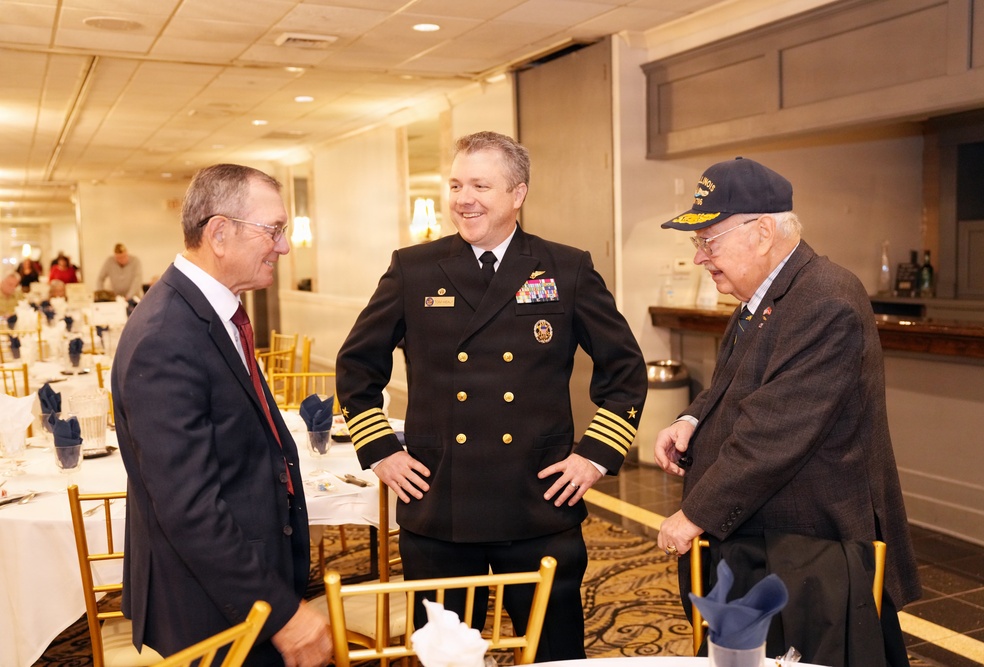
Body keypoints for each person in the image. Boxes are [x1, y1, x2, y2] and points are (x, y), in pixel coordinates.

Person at [336, 131, 647, 661]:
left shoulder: (565, 268)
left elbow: (625, 369)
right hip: (439, 502)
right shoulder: (413, 268)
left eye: (480, 184)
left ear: (518, 194)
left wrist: (594, 458)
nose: (463, 198)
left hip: (538, 501)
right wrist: (382, 451)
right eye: (456, 184)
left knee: (554, 653)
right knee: (443, 656)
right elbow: (356, 366)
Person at [654, 157, 920, 665]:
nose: (699, 258)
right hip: (764, 537)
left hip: (807, 547)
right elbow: (735, 386)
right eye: (697, 243)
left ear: (762, 231)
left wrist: (694, 514)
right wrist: (691, 419)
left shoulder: (825, 300)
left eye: (708, 241)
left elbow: (773, 432)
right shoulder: (766, 294)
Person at [111, 164, 332, 667]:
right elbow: (189, 508)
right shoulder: (166, 334)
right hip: (216, 603)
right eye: (273, 230)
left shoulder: (213, 309)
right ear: (219, 233)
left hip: (244, 584)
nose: (284, 246)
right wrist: (281, 614)